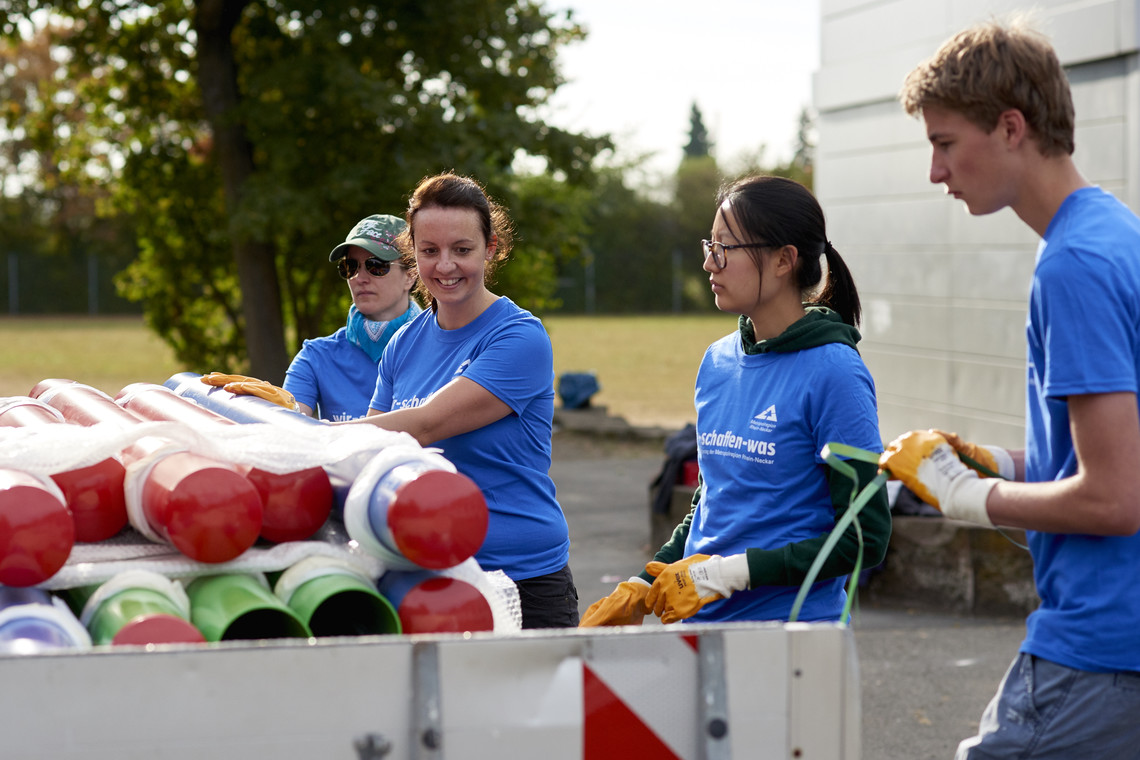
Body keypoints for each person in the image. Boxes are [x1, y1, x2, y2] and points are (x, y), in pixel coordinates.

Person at [888, 18, 1140, 759]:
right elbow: (1109, 459)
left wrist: (966, 498)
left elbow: (1115, 498)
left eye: (944, 143)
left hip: (1097, 650)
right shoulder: (1118, 236)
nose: (937, 173)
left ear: (1009, 127)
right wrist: (987, 461)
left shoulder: (1074, 267)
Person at [581, 174, 890, 627]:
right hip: (698, 629)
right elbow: (713, 500)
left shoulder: (835, 372)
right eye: (710, 245)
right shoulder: (718, 360)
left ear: (784, 260)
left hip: (791, 638)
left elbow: (865, 537)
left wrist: (729, 573)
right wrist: (650, 579)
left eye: (725, 249)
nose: (710, 263)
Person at [339, 172, 578, 629]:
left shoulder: (520, 337)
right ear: (414, 254)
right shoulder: (403, 343)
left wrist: (302, 437)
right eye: (429, 251)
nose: (445, 266)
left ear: (491, 249)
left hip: (521, 580)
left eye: (462, 250)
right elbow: (373, 455)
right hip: (427, 572)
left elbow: (424, 425)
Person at [280, 214, 421, 421]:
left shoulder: (444, 350)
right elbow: (287, 430)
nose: (360, 278)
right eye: (350, 267)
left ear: (411, 274)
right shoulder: (316, 356)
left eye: (376, 266)